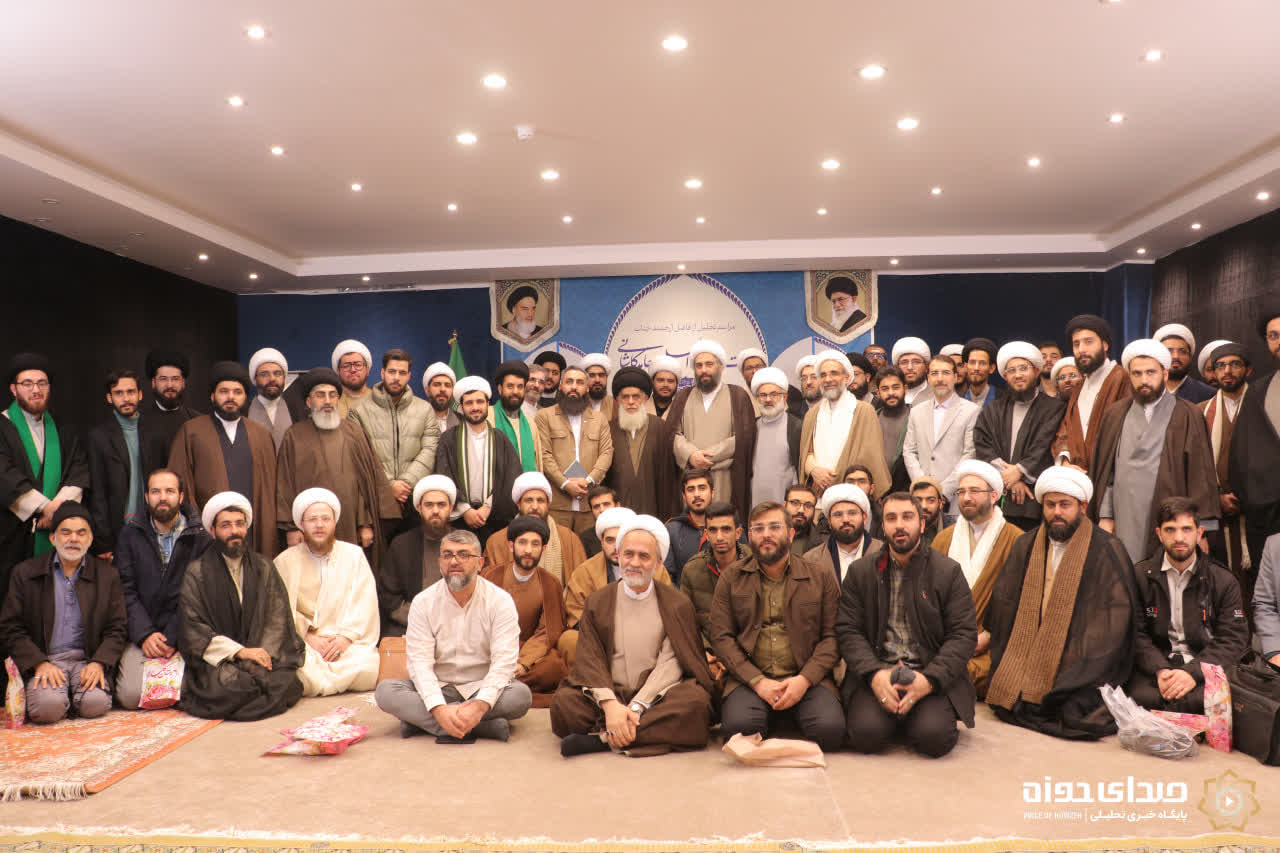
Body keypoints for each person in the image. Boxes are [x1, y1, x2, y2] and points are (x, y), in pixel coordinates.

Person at [985, 466, 1139, 740]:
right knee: (1008, 697)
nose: (1057, 512)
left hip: (1081, 658)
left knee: (1072, 710)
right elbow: (1004, 603)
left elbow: (1115, 619)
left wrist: (1071, 655)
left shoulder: (1107, 549)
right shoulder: (1026, 544)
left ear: (1083, 507)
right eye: (1050, 504)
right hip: (1028, 652)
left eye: (1065, 505)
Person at [551, 515, 716, 757]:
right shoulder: (598, 601)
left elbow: (672, 663)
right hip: (609, 690)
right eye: (628, 554)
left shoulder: (677, 603)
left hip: (658, 696)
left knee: (696, 705)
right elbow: (590, 659)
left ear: (658, 563)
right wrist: (610, 705)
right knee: (564, 704)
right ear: (619, 555)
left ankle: (604, 740)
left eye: (644, 556)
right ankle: (635, 732)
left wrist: (638, 705)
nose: (634, 563)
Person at [837, 491, 978, 757]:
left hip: (928, 672)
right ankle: (895, 716)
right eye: (891, 518)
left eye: (907, 517)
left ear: (922, 524)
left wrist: (929, 680)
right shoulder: (861, 572)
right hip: (878, 670)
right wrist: (875, 675)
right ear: (882, 526)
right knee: (866, 736)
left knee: (933, 739)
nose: (899, 525)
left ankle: (913, 717)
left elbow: (963, 634)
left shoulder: (947, 571)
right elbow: (848, 630)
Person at [710, 501, 845, 752]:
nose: (766, 535)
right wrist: (758, 682)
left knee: (830, 732)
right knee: (740, 729)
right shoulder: (732, 577)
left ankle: (785, 712)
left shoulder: (819, 576)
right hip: (750, 680)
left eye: (774, 527)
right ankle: (774, 713)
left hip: (806, 677)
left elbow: (833, 637)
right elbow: (721, 637)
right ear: (749, 536)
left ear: (791, 534)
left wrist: (804, 680)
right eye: (758, 529)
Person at [374, 529, 532, 742]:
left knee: (521, 696)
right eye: (448, 555)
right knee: (385, 691)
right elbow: (419, 663)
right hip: (439, 685)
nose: (454, 561)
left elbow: (504, 663)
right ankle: (482, 726)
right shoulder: (424, 602)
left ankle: (422, 723)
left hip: (479, 686)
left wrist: (479, 706)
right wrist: (438, 708)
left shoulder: (500, 601)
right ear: (440, 562)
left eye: (464, 555)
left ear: (480, 563)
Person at [177, 492, 304, 721]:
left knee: (285, 681)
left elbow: (277, 618)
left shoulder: (263, 566)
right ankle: (253, 692)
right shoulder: (197, 573)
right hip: (222, 660)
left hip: (261, 655)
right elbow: (193, 628)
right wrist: (239, 652)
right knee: (227, 686)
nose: (234, 531)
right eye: (226, 525)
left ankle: (252, 688)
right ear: (213, 531)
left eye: (239, 524)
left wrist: (262, 654)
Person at [1089, 339, 1219, 564]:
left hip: (1171, 516)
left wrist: (1201, 529)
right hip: (1124, 514)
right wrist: (1106, 515)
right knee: (1124, 571)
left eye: (1151, 372)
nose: (1144, 380)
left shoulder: (1188, 414)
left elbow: (1201, 475)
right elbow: (1106, 471)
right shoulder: (1115, 414)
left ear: (1165, 374)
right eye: (1137, 373)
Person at [0, 502, 126, 723]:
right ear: (52, 538)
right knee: (47, 708)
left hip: (86, 661)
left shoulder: (107, 576)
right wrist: (39, 663)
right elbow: (11, 627)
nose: (73, 539)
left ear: (90, 539)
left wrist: (99, 662)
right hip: (47, 661)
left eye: (81, 533)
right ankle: (61, 697)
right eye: (66, 532)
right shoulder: (25, 573)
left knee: (95, 704)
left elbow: (117, 627)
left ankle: (73, 696)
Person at [1127, 497, 1248, 712]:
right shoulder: (1140, 576)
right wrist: (1161, 670)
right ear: (1159, 534)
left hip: (1205, 664)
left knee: (1211, 701)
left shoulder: (1223, 580)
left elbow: (1232, 639)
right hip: (1156, 667)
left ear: (1199, 533)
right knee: (1137, 698)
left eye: (1186, 529)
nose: (1179, 538)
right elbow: (1136, 634)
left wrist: (1192, 673)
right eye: (1170, 530)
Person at [276, 367, 399, 563]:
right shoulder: (294, 435)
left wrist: (365, 523)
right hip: (308, 527)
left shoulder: (353, 432)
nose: (327, 400)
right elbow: (284, 484)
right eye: (320, 395)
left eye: (332, 395)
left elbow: (364, 482)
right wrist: (291, 528)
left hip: (350, 525)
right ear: (308, 402)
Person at [113, 469, 210, 710]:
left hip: (185, 632)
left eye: (169, 491)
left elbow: (200, 595)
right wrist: (145, 634)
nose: (163, 497)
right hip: (141, 633)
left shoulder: (200, 538)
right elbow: (124, 589)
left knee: (196, 690)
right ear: (146, 497)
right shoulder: (130, 534)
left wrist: (172, 636)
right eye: (156, 492)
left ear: (181, 496)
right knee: (130, 696)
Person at [274, 488, 380, 696]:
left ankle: (318, 684)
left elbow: (365, 602)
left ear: (334, 523)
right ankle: (331, 682)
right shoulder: (284, 561)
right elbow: (278, 610)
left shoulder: (354, 555)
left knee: (368, 666)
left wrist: (345, 638)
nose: (319, 525)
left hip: (345, 643)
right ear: (301, 524)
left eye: (325, 519)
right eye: (312, 519)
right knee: (294, 666)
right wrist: (307, 637)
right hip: (305, 642)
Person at [930, 460, 1022, 698]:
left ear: (994, 495)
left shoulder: (1017, 541)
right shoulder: (943, 539)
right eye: (961, 492)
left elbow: (1021, 603)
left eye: (974, 491)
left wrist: (988, 637)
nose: (966, 497)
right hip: (946, 641)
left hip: (991, 644)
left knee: (999, 672)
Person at [168, 360, 278, 558]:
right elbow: (180, 483)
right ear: (212, 396)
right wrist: (197, 525)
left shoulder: (261, 435)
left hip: (252, 531)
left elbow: (270, 492)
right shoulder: (192, 432)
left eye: (237, 392)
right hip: (207, 532)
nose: (231, 397)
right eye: (224, 391)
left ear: (245, 397)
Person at [0, 353, 90, 594]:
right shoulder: (2, 426)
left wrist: (57, 510)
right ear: (13, 389)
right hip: (12, 536)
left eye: (42, 383)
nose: (35, 390)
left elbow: (78, 471)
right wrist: (45, 508)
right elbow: (4, 475)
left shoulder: (63, 428)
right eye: (27, 383)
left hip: (57, 529)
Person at [561, 506, 675, 668]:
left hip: (645, 635)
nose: (615, 547)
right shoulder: (585, 572)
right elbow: (576, 615)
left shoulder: (656, 569)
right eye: (610, 540)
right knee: (568, 640)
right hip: (600, 639)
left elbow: (668, 609)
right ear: (601, 541)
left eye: (620, 540)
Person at [973, 342, 1068, 532]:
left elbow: (1043, 445)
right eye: (1012, 370)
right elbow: (982, 444)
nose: (1018, 375)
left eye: (1023, 368)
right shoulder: (993, 409)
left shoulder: (1053, 408)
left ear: (1036, 371)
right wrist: (1010, 477)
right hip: (999, 496)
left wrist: (1021, 471)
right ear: (1005, 376)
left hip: (1035, 499)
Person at [349, 348, 441, 536]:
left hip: (415, 499)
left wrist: (404, 484)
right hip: (376, 499)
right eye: (392, 372)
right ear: (382, 373)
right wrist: (389, 485)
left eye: (402, 373)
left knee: (414, 552)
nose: (396, 378)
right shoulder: (358, 411)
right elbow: (359, 456)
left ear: (409, 376)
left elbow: (431, 449)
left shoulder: (425, 410)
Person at [669, 339, 758, 521]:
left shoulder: (737, 396)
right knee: (693, 525)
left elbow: (744, 437)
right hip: (691, 478)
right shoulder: (683, 397)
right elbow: (673, 434)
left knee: (721, 523)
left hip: (725, 478)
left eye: (709, 364)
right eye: (699, 365)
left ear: (721, 366)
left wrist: (707, 457)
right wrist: (691, 455)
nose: (704, 370)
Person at [481, 514, 568, 699]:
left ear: (543, 549)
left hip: (529, 651)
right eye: (522, 543)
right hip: (493, 649)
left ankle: (499, 684)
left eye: (535, 544)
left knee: (554, 667)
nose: (528, 550)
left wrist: (523, 663)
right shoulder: (490, 576)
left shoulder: (550, 583)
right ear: (511, 546)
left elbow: (547, 632)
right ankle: (504, 682)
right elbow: (478, 624)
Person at [434, 376, 522, 544]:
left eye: (480, 402)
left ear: (488, 404)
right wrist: (465, 510)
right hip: (460, 519)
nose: (475, 407)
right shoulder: (449, 439)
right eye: (469, 403)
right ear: (461, 407)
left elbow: (511, 479)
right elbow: (444, 477)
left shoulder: (500, 439)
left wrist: (488, 507)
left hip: (494, 518)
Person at [1228, 306, 1280, 571]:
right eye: (1273, 336)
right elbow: (1240, 453)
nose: (1279, 341)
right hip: (1267, 517)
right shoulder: (1258, 391)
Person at [1199, 343, 1254, 593]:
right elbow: (1195, 467)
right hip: (1216, 512)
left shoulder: (1264, 406)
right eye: (1220, 366)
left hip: (1260, 512)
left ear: (1248, 369)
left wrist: (1250, 498)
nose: (1227, 371)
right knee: (1221, 583)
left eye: (1235, 364)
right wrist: (1216, 498)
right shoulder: (1200, 412)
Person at [798, 350, 890, 497]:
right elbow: (806, 453)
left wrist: (832, 481)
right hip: (817, 495)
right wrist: (814, 471)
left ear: (847, 378)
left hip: (852, 495)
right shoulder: (812, 415)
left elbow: (870, 457)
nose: (828, 379)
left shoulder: (864, 411)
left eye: (834, 373)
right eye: (823, 375)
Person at [534, 365, 613, 534]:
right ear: (561, 386)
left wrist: (589, 481)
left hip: (589, 504)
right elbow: (543, 454)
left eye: (579, 382)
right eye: (569, 382)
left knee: (587, 548)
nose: (574, 387)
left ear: (587, 388)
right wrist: (565, 484)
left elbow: (606, 453)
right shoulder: (544, 416)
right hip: (557, 504)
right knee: (558, 548)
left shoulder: (599, 419)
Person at [1052, 314, 1132, 473]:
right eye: (1076, 344)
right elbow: (1066, 430)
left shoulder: (1123, 380)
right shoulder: (1078, 388)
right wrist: (1065, 461)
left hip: (1113, 477)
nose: (1081, 349)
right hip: (1077, 476)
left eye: (1088, 342)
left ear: (1105, 345)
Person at [379, 474, 454, 637]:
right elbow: (389, 597)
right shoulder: (401, 545)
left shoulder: (464, 545)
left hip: (455, 626)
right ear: (419, 508)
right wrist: (422, 620)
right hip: (409, 625)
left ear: (451, 508)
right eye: (429, 505)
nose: (435, 511)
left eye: (441, 505)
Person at [481, 472, 587, 585]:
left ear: (548, 504)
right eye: (529, 500)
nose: (535, 507)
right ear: (518, 504)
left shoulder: (569, 539)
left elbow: (580, 584)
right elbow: (489, 586)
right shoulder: (496, 542)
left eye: (540, 500)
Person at [903, 355, 980, 509]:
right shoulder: (916, 411)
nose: (940, 378)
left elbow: (970, 453)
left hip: (955, 497)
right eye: (934, 373)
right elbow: (909, 451)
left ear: (956, 377)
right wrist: (923, 486)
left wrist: (943, 491)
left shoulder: (971, 411)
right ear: (928, 378)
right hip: (921, 498)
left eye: (945, 373)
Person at [87, 369, 146, 560]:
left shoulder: (153, 431)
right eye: (118, 393)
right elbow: (97, 493)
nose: (125, 398)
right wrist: (103, 541)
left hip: (152, 529)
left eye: (130, 392)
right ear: (109, 398)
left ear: (140, 394)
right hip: (117, 533)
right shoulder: (99, 437)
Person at [680, 501, 749, 662]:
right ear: (706, 534)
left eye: (726, 529)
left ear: (738, 532)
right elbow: (685, 622)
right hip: (706, 656)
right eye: (713, 530)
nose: (719, 537)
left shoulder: (755, 565)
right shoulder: (692, 570)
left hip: (747, 657)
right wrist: (704, 652)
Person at [607, 368, 677, 518]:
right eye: (625, 397)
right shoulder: (608, 429)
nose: (631, 402)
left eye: (636, 396)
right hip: (618, 511)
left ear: (645, 399)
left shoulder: (661, 427)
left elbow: (670, 476)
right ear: (618, 400)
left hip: (654, 510)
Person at [805, 483, 881, 585]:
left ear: (864, 518)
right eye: (838, 514)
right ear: (829, 521)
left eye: (852, 513)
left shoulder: (884, 553)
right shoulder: (811, 560)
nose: (845, 519)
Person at [138, 350, 199, 473]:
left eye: (175, 379)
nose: (169, 385)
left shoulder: (196, 421)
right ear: (153, 383)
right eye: (163, 379)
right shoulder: (139, 422)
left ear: (183, 383)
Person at [749, 367, 801, 507]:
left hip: (785, 504)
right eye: (763, 395)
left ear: (785, 397)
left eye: (774, 394)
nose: (768, 399)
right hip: (755, 504)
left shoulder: (796, 427)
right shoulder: (751, 427)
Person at [486, 360, 541, 474]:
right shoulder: (487, 417)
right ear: (500, 389)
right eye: (510, 386)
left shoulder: (530, 424)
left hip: (527, 484)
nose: (515, 391)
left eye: (520, 387)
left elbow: (538, 465)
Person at [246, 347, 303, 451]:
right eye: (264, 374)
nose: (272, 379)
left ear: (284, 377)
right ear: (255, 378)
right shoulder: (244, 410)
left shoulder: (297, 410)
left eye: (277, 373)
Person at [664, 469, 715, 585]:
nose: (697, 494)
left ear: (712, 492)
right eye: (691, 489)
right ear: (684, 496)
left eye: (702, 488)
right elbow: (667, 577)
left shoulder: (729, 528)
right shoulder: (671, 530)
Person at [1151, 323, 1215, 404]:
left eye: (1182, 351)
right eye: (1169, 351)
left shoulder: (1208, 395)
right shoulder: (1145, 391)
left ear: (1190, 356)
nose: (1176, 356)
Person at [874, 366, 912, 493]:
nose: (891, 393)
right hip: (877, 491)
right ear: (878, 393)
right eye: (885, 389)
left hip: (908, 491)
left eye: (895, 387)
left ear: (905, 389)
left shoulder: (916, 417)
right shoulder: (871, 419)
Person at [331, 339, 372, 418]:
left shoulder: (379, 399)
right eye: (346, 366)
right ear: (338, 371)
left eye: (358, 365)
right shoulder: (331, 403)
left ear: (367, 369)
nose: (353, 370)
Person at [785, 483, 825, 555]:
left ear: (814, 510)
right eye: (795, 503)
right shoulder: (768, 534)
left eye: (808, 505)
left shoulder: (822, 545)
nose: (801, 510)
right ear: (784, 504)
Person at [577, 485, 618, 558]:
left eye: (606, 504)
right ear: (592, 511)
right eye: (596, 506)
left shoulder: (630, 532)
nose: (602, 510)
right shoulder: (584, 539)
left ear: (617, 505)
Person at [891, 337, 932, 407]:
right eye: (904, 362)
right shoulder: (889, 396)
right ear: (897, 367)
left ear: (926, 367)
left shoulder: (937, 395)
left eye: (916, 362)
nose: (910, 367)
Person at [422, 362, 460, 438]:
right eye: (437, 385)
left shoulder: (461, 421)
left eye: (447, 385)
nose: (442, 389)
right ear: (427, 390)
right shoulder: (415, 419)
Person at [962, 337, 999, 408]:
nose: (976, 368)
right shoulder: (956, 400)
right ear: (965, 366)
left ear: (992, 368)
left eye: (982, 363)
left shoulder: (1004, 400)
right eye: (972, 362)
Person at [910, 476, 945, 549]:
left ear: (941, 503)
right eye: (918, 500)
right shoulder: (902, 528)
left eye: (931, 500)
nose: (924, 506)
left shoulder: (954, 530)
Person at [581, 353, 615, 419]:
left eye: (601, 375)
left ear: (606, 377)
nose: (597, 380)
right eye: (592, 375)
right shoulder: (576, 404)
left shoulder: (615, 405)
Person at [647, 355, 682, 420]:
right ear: (652, 382)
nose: (665, 385)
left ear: (677, 384)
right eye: (660, 380)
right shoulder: (640, 407)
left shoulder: (683, 412)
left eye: (670, 381)